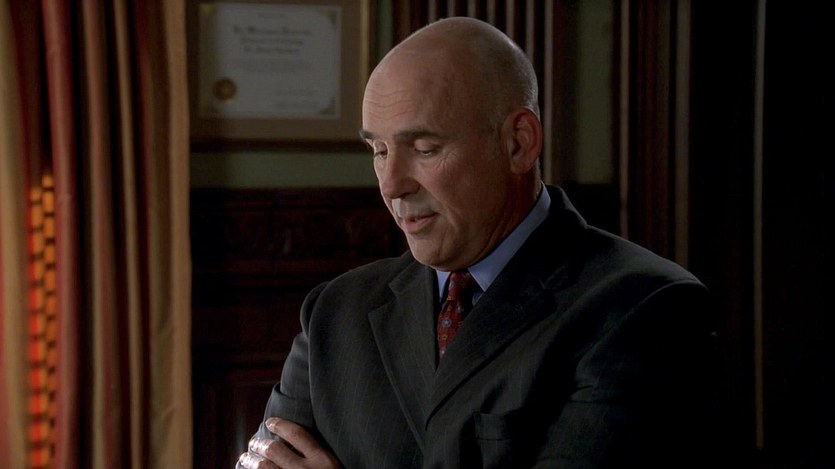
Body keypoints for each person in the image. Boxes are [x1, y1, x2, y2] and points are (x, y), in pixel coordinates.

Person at [237, 17, 717, 469]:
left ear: (519, 143)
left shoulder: (643, 307)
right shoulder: (336, 311)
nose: (392, 184)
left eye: (425, 149)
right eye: (379, 151)